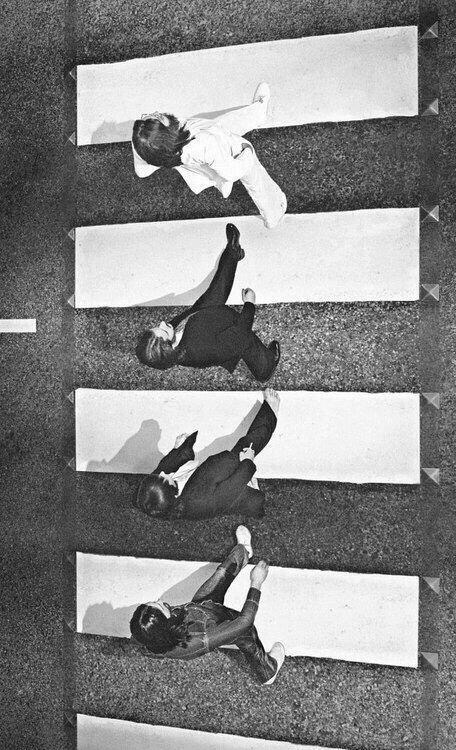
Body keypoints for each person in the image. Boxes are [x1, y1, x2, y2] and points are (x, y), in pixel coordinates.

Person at [130, 526, 286, 685]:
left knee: (222, 573)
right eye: (162, 607)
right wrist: (256, 582)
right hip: (213, 620)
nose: (160, 601)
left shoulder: (146, 635)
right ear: (168, 625)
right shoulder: (202, 638)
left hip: (200, 609)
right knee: (247, 636)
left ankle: (244, 552)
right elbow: (244, 622)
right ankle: (267, 672)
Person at [135, 222, 280, 380]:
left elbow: (193, 314)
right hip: (223, 335)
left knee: (216, 290)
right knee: (245, 339)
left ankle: (233, 252)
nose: (163, 323)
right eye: (163, 330)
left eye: (158, 326)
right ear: (169, 347)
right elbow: (239, 335)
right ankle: (265, 367)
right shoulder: (199, 349)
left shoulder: (172, 338)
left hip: (203, 320)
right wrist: (249, 304)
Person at [131, 83, 287, 229]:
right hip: (231, 151)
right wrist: (247, 152)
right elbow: (232, 172)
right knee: (255, 179)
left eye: (149, 116)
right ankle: (274, 212)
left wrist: (145, 138)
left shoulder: (150, 147)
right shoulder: (205, 144)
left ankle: (257, 113)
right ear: (168, 136)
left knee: (226, 122)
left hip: (208, 130)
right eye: (158, 117)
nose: (156, 112)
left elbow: (141, 170)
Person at [134, 388, 280, 519]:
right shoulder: (200, 503)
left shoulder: (155, 496)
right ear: (174, 494)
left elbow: (163, 469)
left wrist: (176, 449)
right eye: (164, 478)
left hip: (200, 481)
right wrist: (247, 463)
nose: (162, 473)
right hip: (225, 493)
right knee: (247, 447)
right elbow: (230, 489)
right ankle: (270, 412)